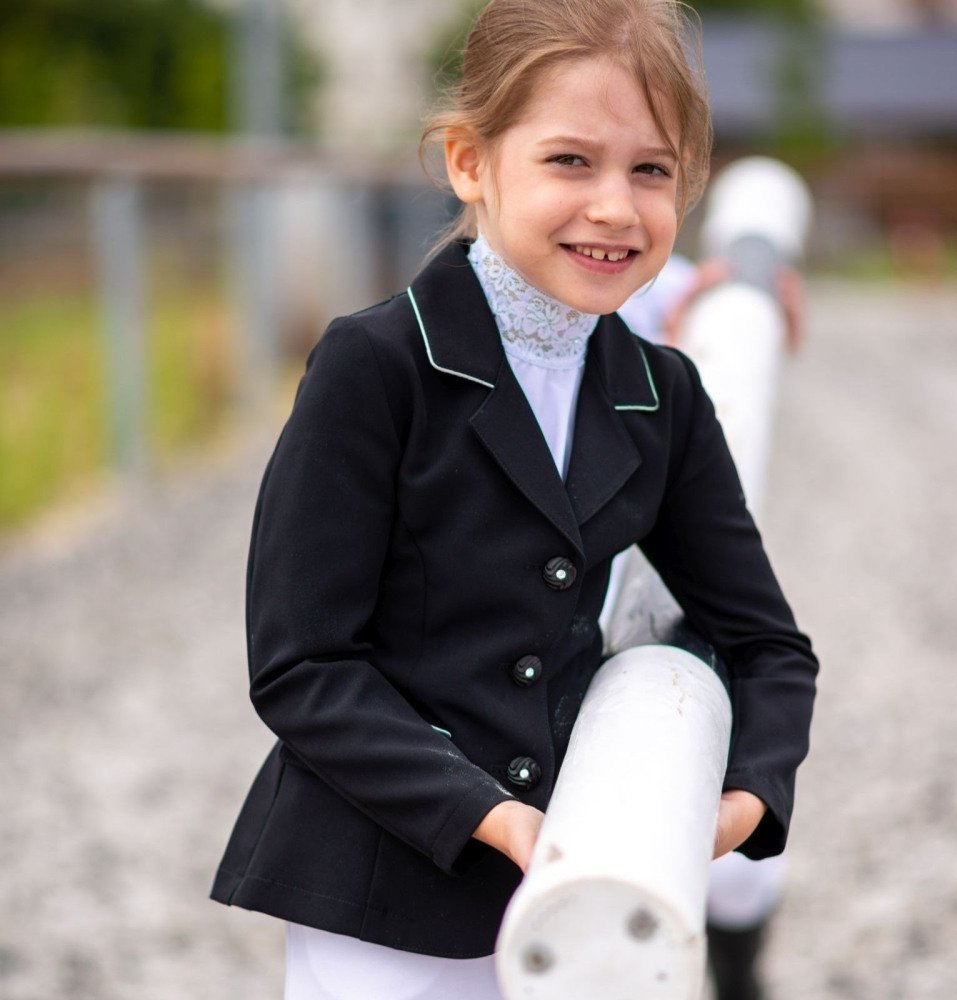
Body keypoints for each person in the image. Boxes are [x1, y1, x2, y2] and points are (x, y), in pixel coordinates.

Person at [210, 2, 819, 997]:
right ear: (468, 161)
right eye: (570, 162)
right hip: (387, 892)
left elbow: (768, 648)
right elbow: (302, 663)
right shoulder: (373, 366)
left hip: (589, 901)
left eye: (651, 170)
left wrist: (736, 802)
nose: (615, 207)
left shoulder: (663, 395)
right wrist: (493, 816)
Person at [618, 254, 804, 1000]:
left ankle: (737, 975)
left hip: (673, 587)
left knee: (728, 848)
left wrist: (744, 305)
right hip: (547, 608)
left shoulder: (662, 282)